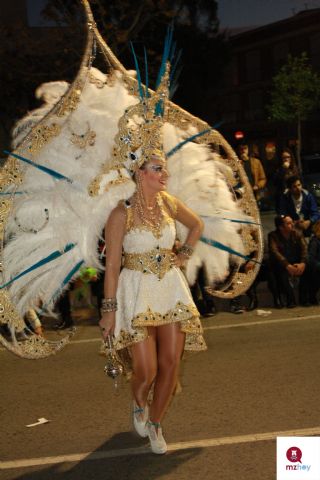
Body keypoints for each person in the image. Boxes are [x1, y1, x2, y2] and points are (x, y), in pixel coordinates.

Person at [268, 215, 307, 307]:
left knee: (310, 268)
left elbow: (304, 249)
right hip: (282, 263)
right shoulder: (273, 236)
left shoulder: (297, 234)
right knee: (280, 272)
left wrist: (302, 263)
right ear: (281, 227)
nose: (292, 224)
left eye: (292, 222)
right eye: (289, 223)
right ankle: (290, 299)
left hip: (296, 262)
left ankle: (304, 299)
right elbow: (275, 252)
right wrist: (287, 265)